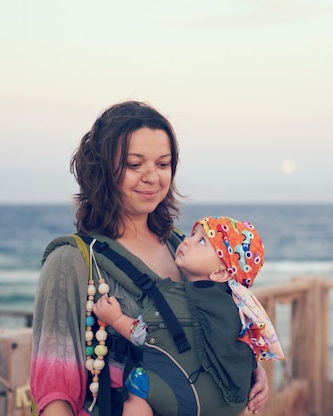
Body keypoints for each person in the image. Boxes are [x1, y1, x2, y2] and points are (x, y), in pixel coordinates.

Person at [30, 101, 270, 416]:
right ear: (102, 170)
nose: (152, 177)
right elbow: (54, 391)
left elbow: (213, 331)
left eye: (162, 164)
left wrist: (249, 371)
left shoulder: (181, 248)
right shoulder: (72, 260)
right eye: (134, 164)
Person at [94, 215, 285, 416]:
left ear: (220, 273)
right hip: (234, 404)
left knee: (137, 384)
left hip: (188, 400)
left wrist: (115, 318)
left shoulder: (174, 296)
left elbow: (143, 334)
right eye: (193, 234)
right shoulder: (239, 307)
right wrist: (257, 371)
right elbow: (243, 351)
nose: (187, 240)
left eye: (201, 241)